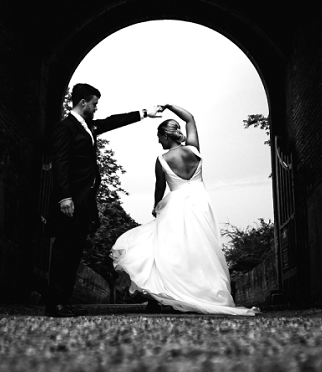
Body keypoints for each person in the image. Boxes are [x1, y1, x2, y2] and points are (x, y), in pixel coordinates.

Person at [110, 103, 258, 316]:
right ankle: (198, 291)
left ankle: (167, 293)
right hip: (200, 201)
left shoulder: (161, 160)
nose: (158, 141)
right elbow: (190, 118)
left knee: (171, 251)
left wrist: (155, 206)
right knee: (200, 249)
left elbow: (159, 187)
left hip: (177, 204)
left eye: (159, 137)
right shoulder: (194, 150)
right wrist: (170, 105)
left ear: (167, 136)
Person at [46, 82, 163, 317]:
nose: (97, 108)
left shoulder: (88, 127)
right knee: (63, 251)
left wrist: (143, 114)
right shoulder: (66, 128)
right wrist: (65, 197)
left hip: (84, 201)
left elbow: (111, 121)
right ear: (83, 103)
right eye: (94, 104)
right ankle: (54, 303)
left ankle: (63, 301)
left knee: (75, 250)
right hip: (70, 201)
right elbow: (60, 163)